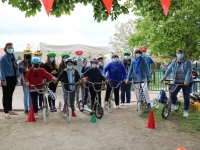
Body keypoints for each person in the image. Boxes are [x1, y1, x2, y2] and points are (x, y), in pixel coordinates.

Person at [160, 49, 193, 117]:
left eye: (181, 53)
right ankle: (174, 104)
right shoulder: (174, 62)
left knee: (186, 96)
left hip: (186, 82)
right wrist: (163, 78)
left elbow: (189, 72)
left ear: (183, 54)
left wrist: (186, 81)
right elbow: (168, 70)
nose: (180, 54)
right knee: (172, 94)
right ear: (176, 54)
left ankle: (185, 111)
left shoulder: (187, 62)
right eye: (178, 53)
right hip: (177, 81)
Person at [1, 42, 19, 119]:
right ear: (6, 49)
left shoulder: (13, 57)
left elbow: (16, 68)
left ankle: (10, 109)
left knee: (10, 94)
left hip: (13, 77)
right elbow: (1, 70)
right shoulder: (3, 58)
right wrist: (3, 80)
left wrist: (16, 79)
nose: (10, 49)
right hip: (6, 78)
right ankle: (6, 112)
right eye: (9, 48)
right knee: (6, 95)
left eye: (11, 47)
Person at [18, 49, 32, 114]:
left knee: (31, 95)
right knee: (26, 95)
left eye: (29, 54)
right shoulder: (21, 63)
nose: (28, 56)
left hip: (32, 82)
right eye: (27, 55)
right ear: (24, 55)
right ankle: (26, 109)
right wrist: (23, 81)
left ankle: (30, 108)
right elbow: (21, 74)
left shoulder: (32, 63)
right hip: (25, 81)